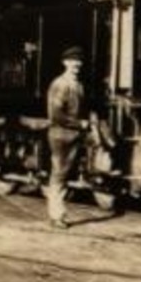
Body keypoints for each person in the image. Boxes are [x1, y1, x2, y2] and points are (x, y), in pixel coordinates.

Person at [44, 46, 89, 230]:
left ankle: (57, 213)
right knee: (59, 175)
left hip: (71, 135)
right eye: (72, 61)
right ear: (65, 63)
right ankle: (56, 215)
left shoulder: (78, 84)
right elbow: (56, 115)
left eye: (78, 61)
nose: (76, 64)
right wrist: (80, 124)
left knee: (62, 175)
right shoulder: (61, 84)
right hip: (61, 135)